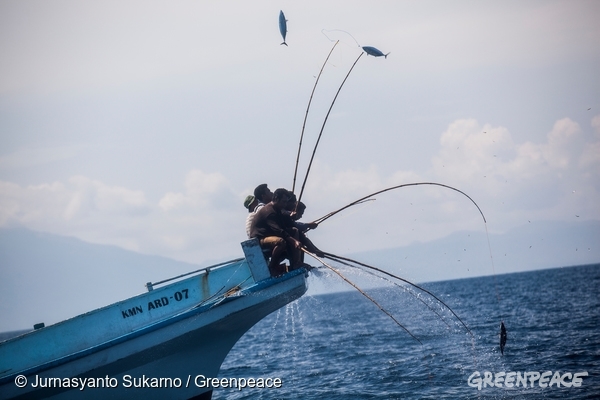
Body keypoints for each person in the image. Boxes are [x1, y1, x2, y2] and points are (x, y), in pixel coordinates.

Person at [249, 188, 303, 276]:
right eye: (283, 202)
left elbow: (284, 227)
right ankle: (272, 267)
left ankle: (297, 263)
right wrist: (294, 241)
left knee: (294, 231)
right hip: (260, 238)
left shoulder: (278, 209)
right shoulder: (269, 211)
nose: (285, 204)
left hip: (269, 235)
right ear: (276, 199)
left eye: (286, 202)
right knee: (280, 242)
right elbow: (279, 231)